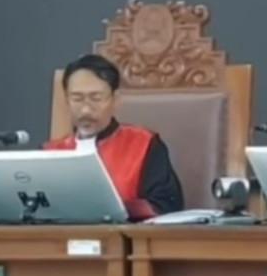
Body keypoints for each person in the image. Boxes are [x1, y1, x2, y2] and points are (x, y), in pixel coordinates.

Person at [44, 54, 184, 219]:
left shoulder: (144, 145)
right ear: (66, 100)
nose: (86, 109)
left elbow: (166, 206)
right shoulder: (50, 153)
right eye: (77, 98)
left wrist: (117, 207)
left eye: (96, 98)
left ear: (115, 100)